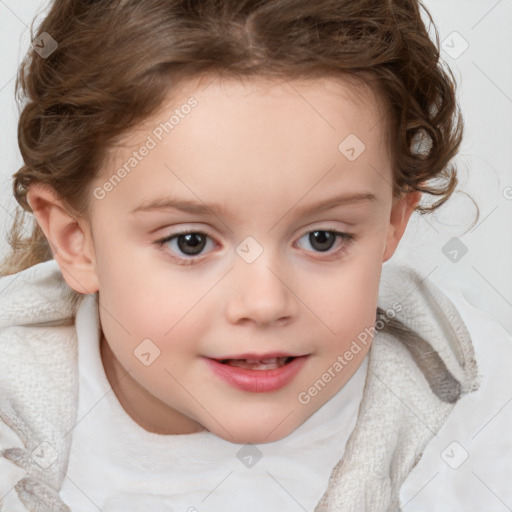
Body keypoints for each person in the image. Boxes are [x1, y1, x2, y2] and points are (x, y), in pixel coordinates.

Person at [0, 1, 507, 510]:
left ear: (392, 223)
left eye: (323, 238)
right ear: (74, 240)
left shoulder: (475, 400)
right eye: (190, 242)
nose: (265, 304)